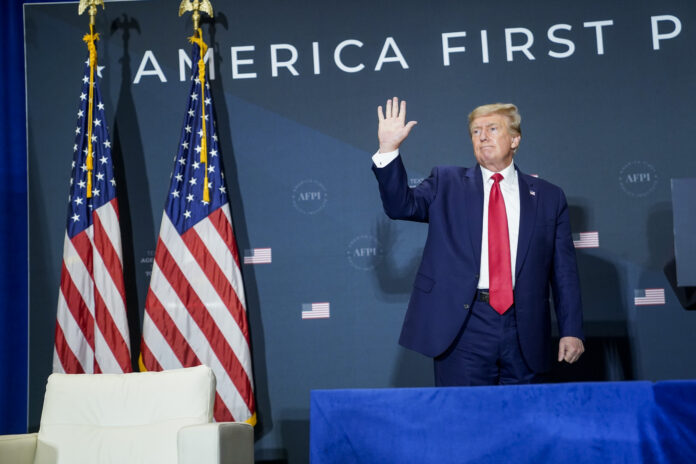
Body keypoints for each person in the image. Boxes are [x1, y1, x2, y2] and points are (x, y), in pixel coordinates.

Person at [372, 97, 584, 386]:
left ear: (515, 140)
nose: (482, 136)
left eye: (493, 129)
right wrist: (389, 149)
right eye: (475, 131)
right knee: (465, 420)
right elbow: (400, 206)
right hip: (464, 325)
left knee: (525, 421)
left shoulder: (548, 196)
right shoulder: (446, 183)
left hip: (525, 326)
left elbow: (564, 272)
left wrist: (571, 330)